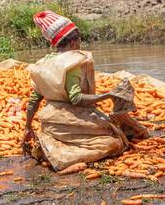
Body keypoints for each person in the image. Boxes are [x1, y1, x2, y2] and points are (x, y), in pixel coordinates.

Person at [23, 12, 149, 172]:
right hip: (72, 118)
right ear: (74, 41)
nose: (80, 44)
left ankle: (49, 143)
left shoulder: (43, 64)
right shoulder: (71, 64)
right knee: (115, 141)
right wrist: (107, 95)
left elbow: (34, 101)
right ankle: (58, 155)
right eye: (80, 40)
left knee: (113, 128)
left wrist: (28, 127)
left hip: (50, 123)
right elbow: (76, 99)